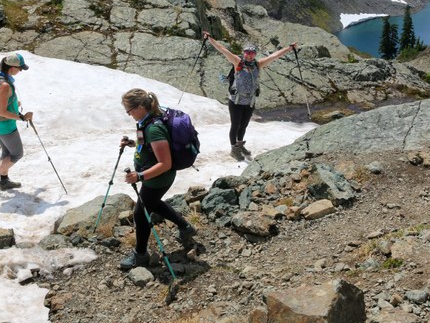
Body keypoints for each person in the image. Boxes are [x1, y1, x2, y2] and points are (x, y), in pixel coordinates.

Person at [118, 88, 197, 270]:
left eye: (129, 111)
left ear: (139, 107)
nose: (129, 115)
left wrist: (139, 176)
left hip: (157, 178)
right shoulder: (148, 121)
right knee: (152, 203)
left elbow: (165, 163)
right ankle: (185, 227)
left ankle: (140, 255)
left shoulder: (153, 128)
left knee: (140, 212)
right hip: (154, 178)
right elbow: (149, 145)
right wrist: (133, 143)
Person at [203, 32, 298, 161]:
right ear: (244, 53)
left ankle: (240, 144)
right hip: (236, 101)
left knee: (244, 125)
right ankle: (234, 149)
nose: (249, 55)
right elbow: (223, 49)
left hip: (249, 102)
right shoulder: (237, 62)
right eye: (247, 52)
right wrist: (210, 39)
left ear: (255, 55)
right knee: (235, 125)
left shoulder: (258, 65)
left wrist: (290, 48)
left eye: (252, 53)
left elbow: (275, 56)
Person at [0, 53, 34, 192]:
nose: (20, 70)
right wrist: (22, 117)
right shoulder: (5, 85)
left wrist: (14, 103)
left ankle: (4, 182)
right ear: (11, 67)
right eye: (19, 68)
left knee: (7, 152)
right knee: (17, 154)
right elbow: (3, 112)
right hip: (5, 125)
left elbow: (0, 101)